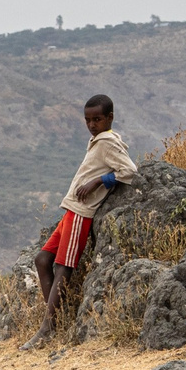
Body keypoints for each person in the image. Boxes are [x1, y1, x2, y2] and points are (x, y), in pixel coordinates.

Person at [35, 93, 139, 334]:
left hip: (82, 213)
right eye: (88, 120)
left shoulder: (108, 142)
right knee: (42, 260)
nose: (92, 125)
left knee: (63, 267)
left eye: (98, 119)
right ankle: (54, 320)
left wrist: (99, 181)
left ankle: (47, 329)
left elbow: (130, 171)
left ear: (110, 118)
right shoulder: (99, 140)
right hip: (71, 210)